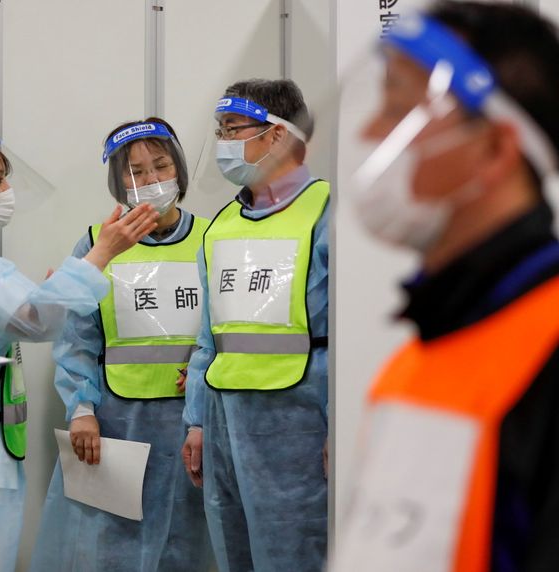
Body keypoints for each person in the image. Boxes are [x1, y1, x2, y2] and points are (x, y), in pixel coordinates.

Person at [330, 3, 559, 571]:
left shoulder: (545, 353)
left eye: (399, 108)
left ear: (495, 151)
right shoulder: (427, 347)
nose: (367, 132)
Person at [0, 133, 157, 572]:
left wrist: (53, 293)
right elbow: (36, 320)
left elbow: (7, 319)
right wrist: (101, 254)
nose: (5, 193)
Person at [30, 118, 211, 571]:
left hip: (194, 426)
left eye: (161, 166)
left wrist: (207, 385)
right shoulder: (98, 244)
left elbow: (229, 332)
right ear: (118, 184)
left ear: (179, 170)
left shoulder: (213, 239)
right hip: (116, 427)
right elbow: (77, 338)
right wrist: (82, 410)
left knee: (186, 547)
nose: (151, 181)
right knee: (111, 547)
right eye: (136, 173)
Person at [181, 80, 330, 571]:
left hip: (300, 427)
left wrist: (341, 426)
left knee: (295, 552)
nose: (224, 143)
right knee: (233, 549)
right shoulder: (223, 224)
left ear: (280, 136)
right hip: (225, 423)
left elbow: (352, 341)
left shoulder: (328, 216)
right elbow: (210, 338)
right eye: (220, 131)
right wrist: (197, 422)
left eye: (234, 129)